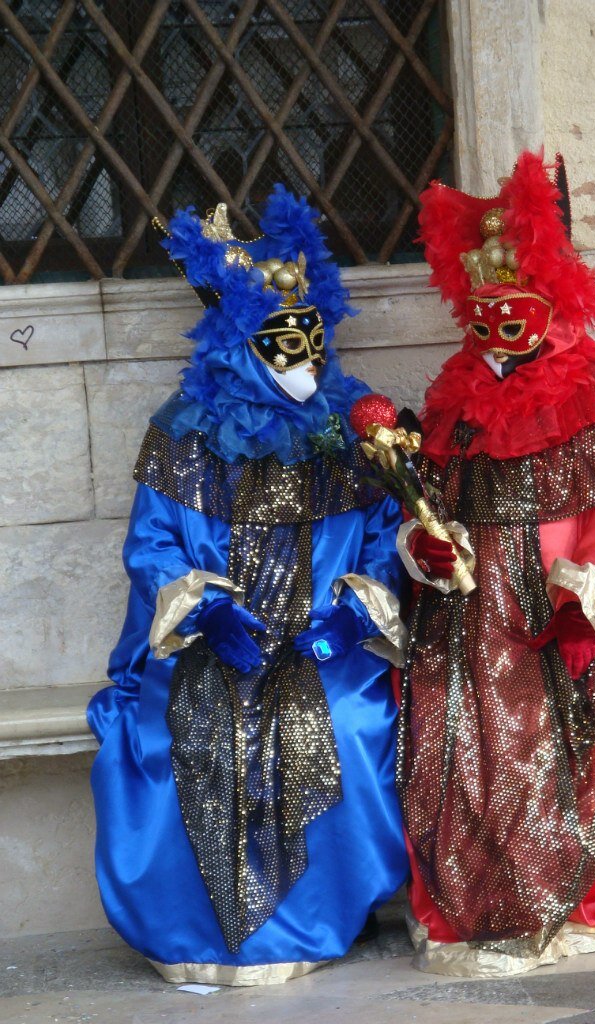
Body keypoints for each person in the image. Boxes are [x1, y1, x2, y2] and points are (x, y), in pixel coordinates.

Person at [87, 188, 408, 985]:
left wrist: (351, 615)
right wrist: (206, 613)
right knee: (190, 734)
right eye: (283, 343)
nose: (304, 359)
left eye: (312, 339)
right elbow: (151, 545)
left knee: (344, 721)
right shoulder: (183, 433)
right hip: (214, 641)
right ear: (241, 343)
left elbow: (382, 533)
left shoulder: (349, 432)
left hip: (322, 643)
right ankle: (206, 932)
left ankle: (326, 912)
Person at [395, 151, 595, 976]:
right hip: (468, 617)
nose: (499, 339)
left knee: (552, 722)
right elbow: (429, 509)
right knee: (448, 727)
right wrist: (425, 551)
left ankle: (565, 896)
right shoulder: (453, 398)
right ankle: (477, 903)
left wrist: (583, 598)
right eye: (484, 320)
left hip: (560, 616)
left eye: (515, 318)